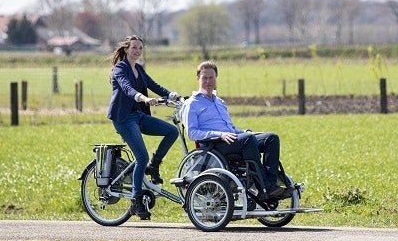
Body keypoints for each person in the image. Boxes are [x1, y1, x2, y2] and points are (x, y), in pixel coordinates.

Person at [181, 60, 293, 199]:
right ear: (198, 79)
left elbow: (231, 128)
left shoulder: (220, 102)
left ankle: (271, 183)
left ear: (216, 78)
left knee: (271, 138)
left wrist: (245, 132)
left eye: (211, 77)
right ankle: (264, 187)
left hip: (233, 139)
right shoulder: (191, 104)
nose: (208, 81)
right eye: (205, 78)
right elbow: (192, 133)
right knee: (248, 140)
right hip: (214, 146)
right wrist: (220, 134)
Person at [107, 35, 179, 219]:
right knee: (141, 156)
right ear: (126, 49)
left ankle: (153, 166)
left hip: (138, 116)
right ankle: (135, 200)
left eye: (140, 48)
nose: (137, 51)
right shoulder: (120, 68)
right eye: (134, 48)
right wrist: (144, 98)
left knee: (172, 131)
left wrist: (172, 95)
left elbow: (154, 85)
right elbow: (127, 88)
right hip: (123, 118)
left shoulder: (138, 68)